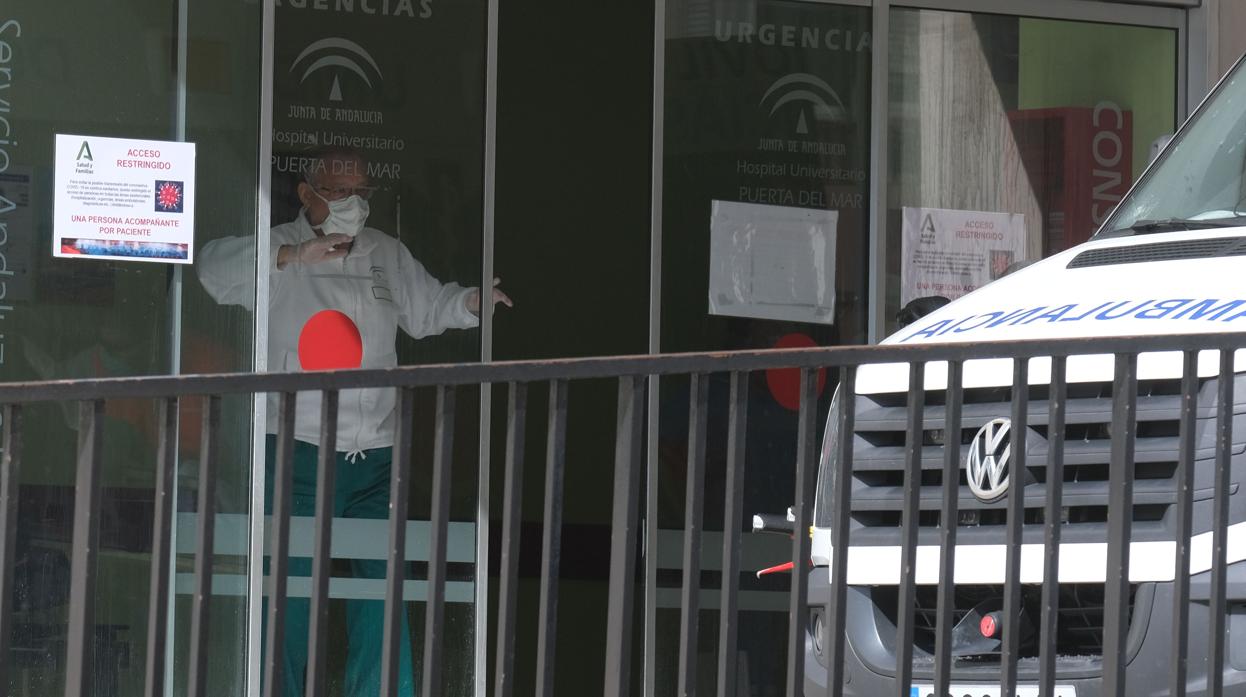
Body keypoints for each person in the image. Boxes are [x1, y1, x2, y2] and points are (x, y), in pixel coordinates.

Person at [197, 146, 511, 697]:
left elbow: (426, 307)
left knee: (383, 592)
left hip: (375, 454)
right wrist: (294, 255)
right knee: (289, 594)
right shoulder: (279, 247)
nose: (353, 204)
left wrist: (469, 302)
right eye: (341, 192)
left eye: (361, 193)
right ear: (306, 193)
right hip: (297, 449)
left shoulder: (384, 252)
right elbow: (212, 270)